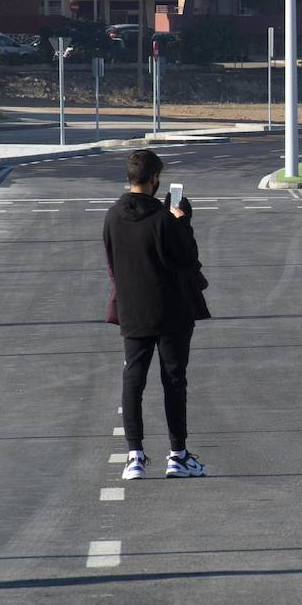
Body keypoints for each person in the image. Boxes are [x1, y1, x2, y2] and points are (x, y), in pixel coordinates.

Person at [103, 149, 210, 481]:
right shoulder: (165, 219)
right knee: (173, 381)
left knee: (133, 379)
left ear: (129, 178)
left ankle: (134, 456)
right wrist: (183, 223)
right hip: (170, 311)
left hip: (132, 309)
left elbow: (111, 262)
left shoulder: (112, 215)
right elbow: (187, 261)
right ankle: (177, 455)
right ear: (154, 180)